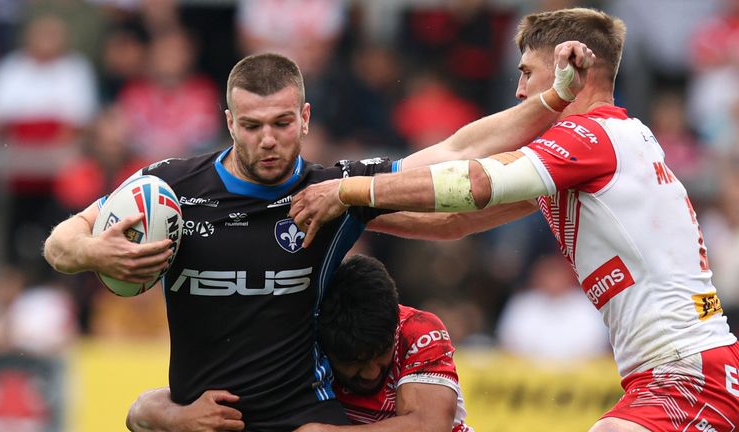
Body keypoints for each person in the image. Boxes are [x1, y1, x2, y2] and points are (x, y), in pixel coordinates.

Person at [43, 46, 593, 430]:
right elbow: (61, 243)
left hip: (308, 424)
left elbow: (452, 152)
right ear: (228, 121)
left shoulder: (332, 191)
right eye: (251, 125)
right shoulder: (172, 187)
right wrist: (95, 250)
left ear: (305, 118)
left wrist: (552, 100)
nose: (267, 141)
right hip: (201, 424)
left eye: (282, 123)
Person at [291, 8, 739, 432]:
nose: (521, 91)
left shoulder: (591, 137)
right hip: (678, 369)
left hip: (687, 369)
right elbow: (457, 222)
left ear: (568, 64)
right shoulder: (606, 146)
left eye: (527, 72)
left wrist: (349, 190)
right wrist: (350, 218)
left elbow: (476, 182)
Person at [126, 254, 474, 432]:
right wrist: (181, 417)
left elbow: (429, 427)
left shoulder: (418, 329)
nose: (370, 372)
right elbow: (139, 411)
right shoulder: (295, 343)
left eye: (379, 355)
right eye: (353, 361)